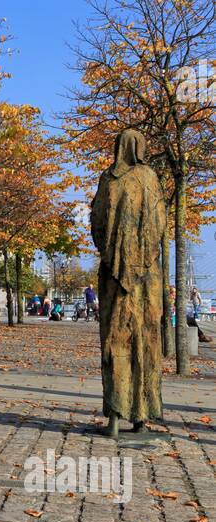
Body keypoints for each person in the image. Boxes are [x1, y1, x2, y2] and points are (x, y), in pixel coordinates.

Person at [91, 129, 167, 439]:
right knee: (145, 342)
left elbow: (96, 222)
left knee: (115, 343)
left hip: (113, 276)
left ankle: (114, 418)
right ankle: (142, 416)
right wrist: (143, 256)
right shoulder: (149, 177)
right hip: (146, 278)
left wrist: (113, 257)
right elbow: (159, 222)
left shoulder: (106, 180)